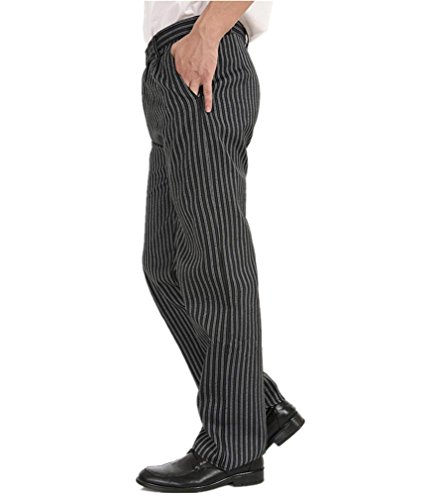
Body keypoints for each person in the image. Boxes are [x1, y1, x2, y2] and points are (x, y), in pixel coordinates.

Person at [137, 1, 305, 492]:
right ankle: (258, 406)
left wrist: (206, 35)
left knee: (214, 262)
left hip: (204, 50)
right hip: (170, 65)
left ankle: (233, 447)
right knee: (166, 265)